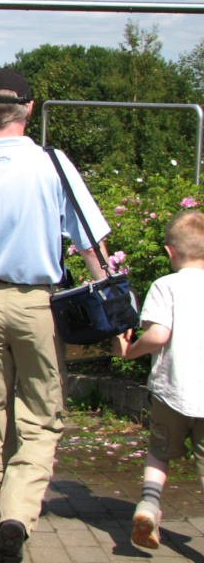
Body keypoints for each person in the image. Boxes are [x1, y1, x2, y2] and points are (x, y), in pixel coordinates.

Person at [0, 68, 111, 563]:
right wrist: (111, 303)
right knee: (41, 413)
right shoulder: (54, 166)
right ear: (30, 110)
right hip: (39, 302)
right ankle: (17, 513)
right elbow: (89, 243)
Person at [111, 210, 204, 550]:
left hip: (172, 392)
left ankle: (149, 506)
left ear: (170, 252)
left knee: (159, 452)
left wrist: (129, 350)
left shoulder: (166, 286)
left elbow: (160, 335)